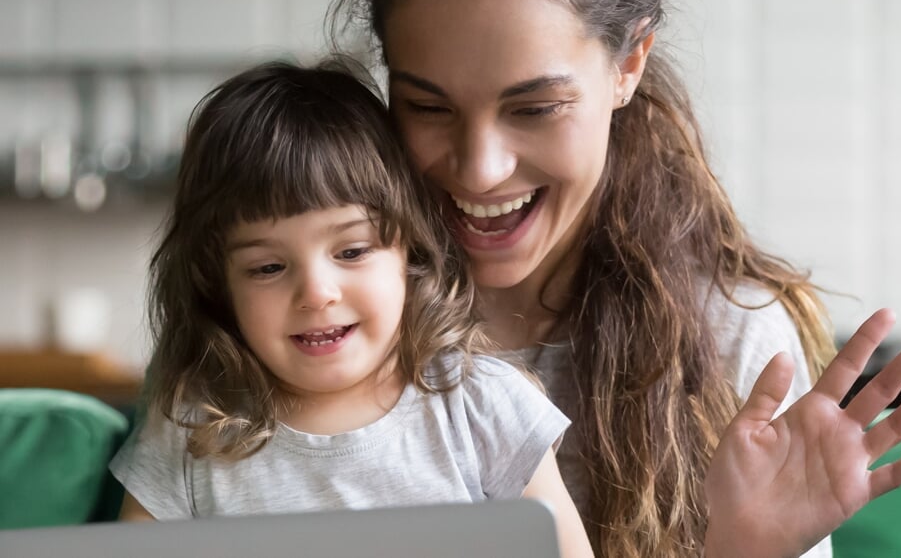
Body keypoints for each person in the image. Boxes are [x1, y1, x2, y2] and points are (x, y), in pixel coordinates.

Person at [328, 0, 901, 556]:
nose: (480, 169)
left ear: (628, 64)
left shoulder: (730, 335)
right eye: (428, 107)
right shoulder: (316, 320)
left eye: (536, 108)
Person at [109, 59, 593, 558]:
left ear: (409, 248)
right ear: (218, 284)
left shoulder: (481, 406)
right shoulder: (194, 428)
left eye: (352, 252)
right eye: (268, 268)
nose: (317, 293)